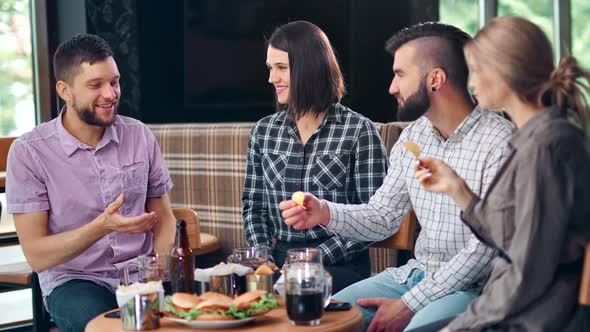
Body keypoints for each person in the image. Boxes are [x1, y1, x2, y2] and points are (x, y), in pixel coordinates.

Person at [279, 22, 514, 332]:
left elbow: (483, 250)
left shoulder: (500, 142)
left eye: (400, 74)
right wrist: (324, 212)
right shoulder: (413, 137)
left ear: (435, 79)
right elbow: (382, 216)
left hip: (475, 289)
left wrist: (410, 304)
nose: (391, 86)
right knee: (326, 323)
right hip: (414, 276)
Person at [413, 16, 590, 332]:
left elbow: (527, 273)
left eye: (477, 71)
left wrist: (463, 324)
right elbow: (512, 236)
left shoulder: (546, 147)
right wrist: (458, 189)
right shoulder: (531, 138)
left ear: (504, 72)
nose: (472, 83)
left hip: (535, 317)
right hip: (519, 307)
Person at [6, 34, 176, 332]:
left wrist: (157, 273)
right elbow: (36, 254)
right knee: (112, 329)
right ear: (65, 91)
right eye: (95, 85)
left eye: (115, 82)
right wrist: (102, 226)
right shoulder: (29, 152)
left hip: (142, 276)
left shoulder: (139, 136)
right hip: (76, 280)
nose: (111, 94)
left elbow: (164, 216)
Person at [242, 20, 388, 292]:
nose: (271, 79)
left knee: (291, 292)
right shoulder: (263, 132)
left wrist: (311, 259)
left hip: (340, 262)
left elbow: (374, 218)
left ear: (308, 68)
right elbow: (255, 207)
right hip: (279, 261)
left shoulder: (359, 131)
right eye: (270, 68)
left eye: (281, 68)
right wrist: (263, 257)